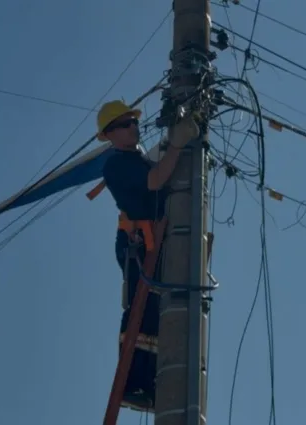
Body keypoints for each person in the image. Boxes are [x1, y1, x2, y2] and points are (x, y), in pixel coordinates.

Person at [97, 100, 199, 411]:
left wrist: (173, 142)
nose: (135, 127)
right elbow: (155, 181)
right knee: (140, 312)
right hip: (137, 245)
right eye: (127, 124)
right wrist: (177, 147)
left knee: (154, 312)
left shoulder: (139, 157)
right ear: (111, 133)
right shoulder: (115, 164)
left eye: (134, 122)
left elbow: (158, 170)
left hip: (152, 242)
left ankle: (148, 384)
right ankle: (131, 384)